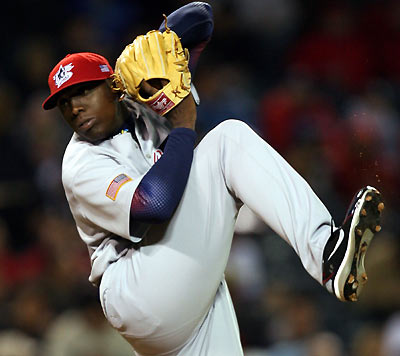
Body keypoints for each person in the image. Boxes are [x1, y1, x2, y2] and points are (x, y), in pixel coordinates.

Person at [42, 2, 384, 355]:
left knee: (217, 292)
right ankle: (326, 252)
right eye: (63, 102)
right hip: (137, 286)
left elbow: (201, 17)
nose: (74, 108)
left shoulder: (142, 95)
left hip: (180, 287)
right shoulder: (81, 162)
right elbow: (152, 208)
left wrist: (162, 39)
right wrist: (184, 124)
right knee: (227, 141)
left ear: (113, 85)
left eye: (82, 91)